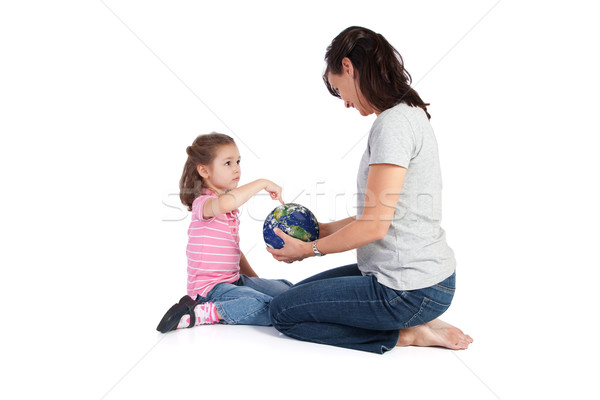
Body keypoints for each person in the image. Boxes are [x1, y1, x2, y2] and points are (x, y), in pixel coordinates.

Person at [267, 26, 473, 354]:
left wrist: (310, 250)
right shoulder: (407, 114)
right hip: (411, 279)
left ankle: (406, 334)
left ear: (348, 67)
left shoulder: (393, 125)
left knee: (283, 314)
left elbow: (374, 225)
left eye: (339, 89)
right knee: (289, 297)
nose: (345, 103)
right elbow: (380, 215)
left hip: (408, 289)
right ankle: (416, 319)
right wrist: (319, 231)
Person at [157, 132, 292, 333]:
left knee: (287, 291)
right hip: (208, 291)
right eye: (228, 163)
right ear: (204, 170)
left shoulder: (228, 209)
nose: (237, 168)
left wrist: (255, 281)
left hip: (234, 281)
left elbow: (234, 250)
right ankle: (201, 313)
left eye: (238, 161)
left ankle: (247, 298)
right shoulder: (203, 204)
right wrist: (262, 182)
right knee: (268, 307)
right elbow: (227, 202)